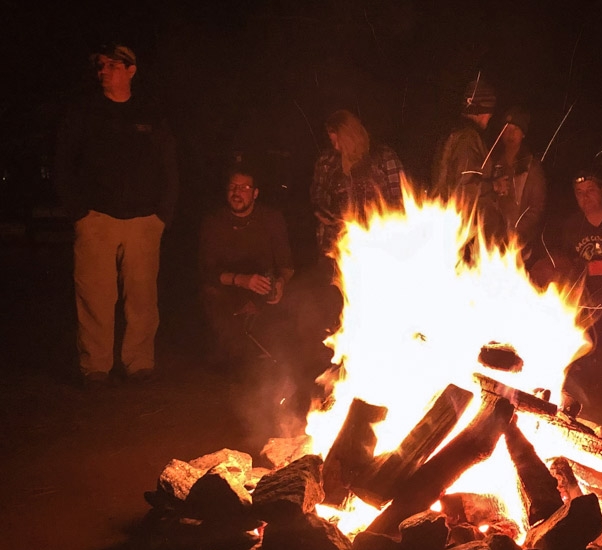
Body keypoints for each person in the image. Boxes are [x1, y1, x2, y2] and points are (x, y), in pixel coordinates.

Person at [54, 43, 178, 385]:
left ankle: (138, 363)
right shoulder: (85, 112)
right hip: (97, 219)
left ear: (131, 70)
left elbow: (169, 165)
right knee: (95, 296)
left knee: (142, 298)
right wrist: (78, 212)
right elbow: (63, 162)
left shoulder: (149, 114)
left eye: (111, 65)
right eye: (101, 66)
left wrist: (162, 214)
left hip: (143, 221)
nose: (104, 71)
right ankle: (95, 366)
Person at [198, 165, 294, 370]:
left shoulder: (271, 219)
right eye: (233, 187)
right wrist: (241, 280)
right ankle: (232, 358)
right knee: (212, 295)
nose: (237, 193)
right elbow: (207, 271)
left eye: (244, 188)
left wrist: (280, 283)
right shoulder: (215, 222)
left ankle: (286, 361)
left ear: (255, 193)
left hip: (263, 288)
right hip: (228, 289)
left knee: (297, 299)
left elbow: (286, 264)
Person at [534, 170, 602, 350]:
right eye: (579, 192)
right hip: (586, 296)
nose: (585, 196)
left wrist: (589, 269)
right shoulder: (572, 225)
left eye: (590, 190)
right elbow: (566, 262)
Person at [311, 109, 405, 256]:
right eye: (332, 142)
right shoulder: (327, 163)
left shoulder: (384, 159)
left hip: (380, 241)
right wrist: (331, 218)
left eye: (339, 141)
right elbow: (318, 199)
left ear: (351, 136)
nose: (336, 147)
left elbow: (399, 199)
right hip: (339, 245)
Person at [487, 107, 547, 256]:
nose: (510, 134)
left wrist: (516, 233)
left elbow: (536, 207)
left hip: (520, 244)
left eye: (515, 129)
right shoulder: (491, 163)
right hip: (491, 240)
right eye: (506, 129)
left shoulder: (531, 167)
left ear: (523, 134)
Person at [430, 76, 496, 208]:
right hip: (461, 218)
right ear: (482, 111)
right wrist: (494, 185)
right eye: (490, 112)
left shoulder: (452, 133)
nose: (490, 117)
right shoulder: (467, 139)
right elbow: (465, 187)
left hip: (446, 213)